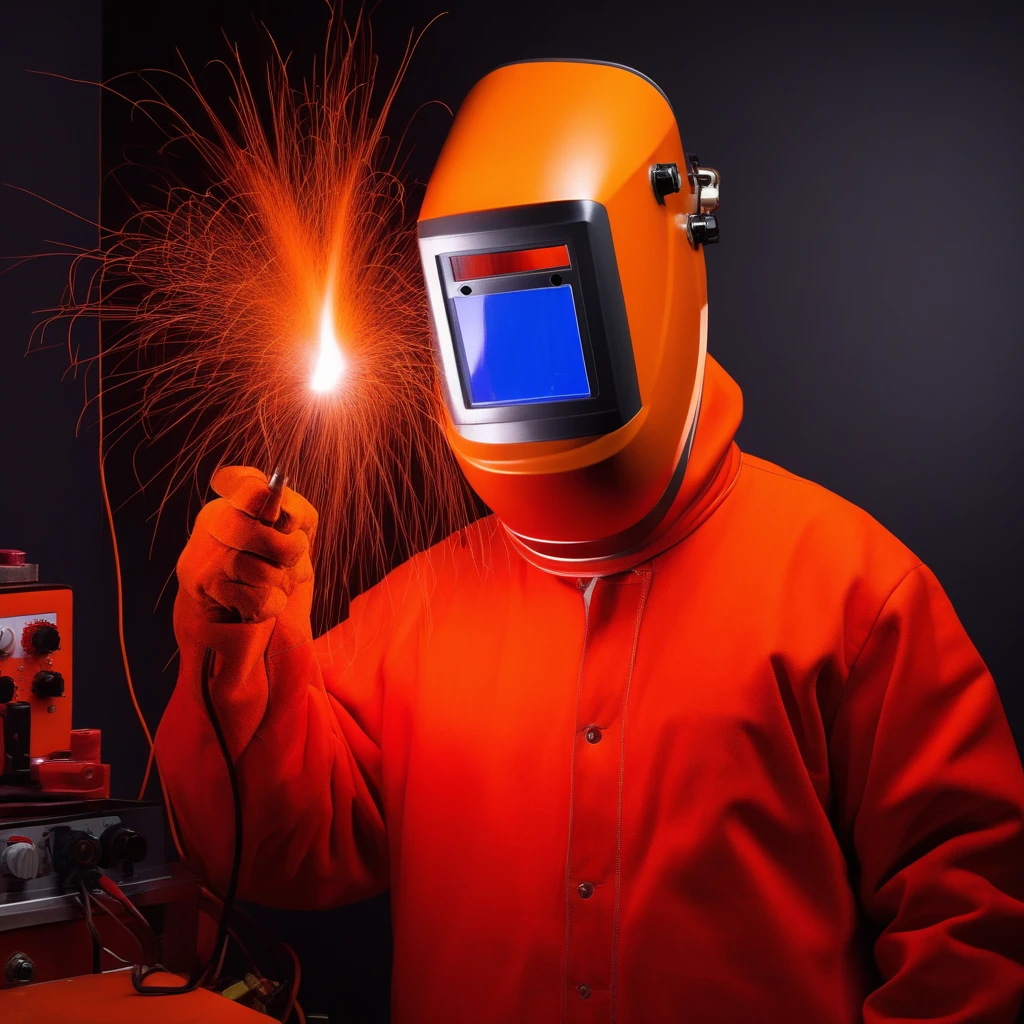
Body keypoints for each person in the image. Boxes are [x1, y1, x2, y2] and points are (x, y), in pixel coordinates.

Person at [156, 60, 1024, 1022]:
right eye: (490, 312)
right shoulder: (415, 616)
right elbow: (271, 848)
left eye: (554, 308)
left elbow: (974, 931)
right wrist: (235, 639)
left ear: (651, 275)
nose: (528, 375)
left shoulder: (855, 597)